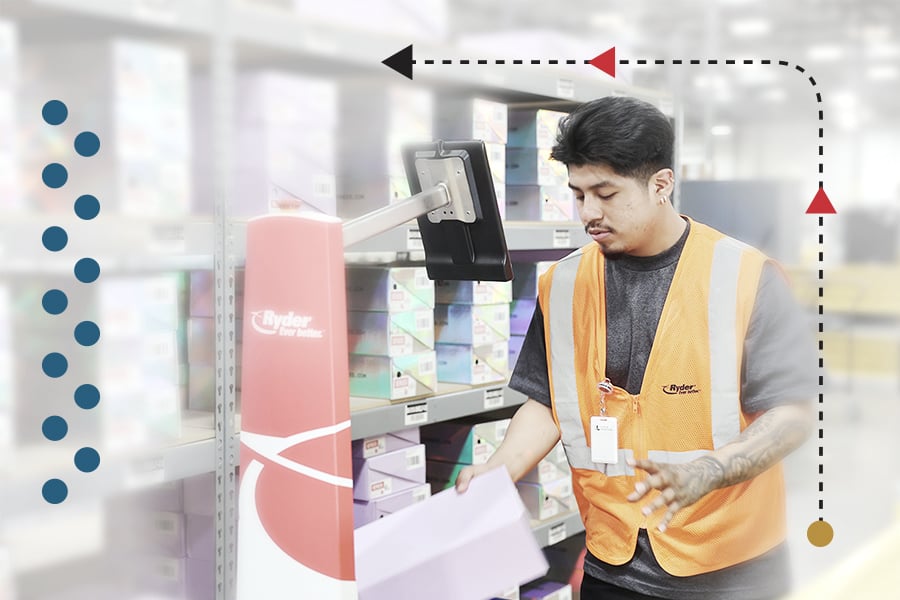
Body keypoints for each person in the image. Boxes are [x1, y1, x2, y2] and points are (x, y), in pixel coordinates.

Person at [456, 96, 816, 599]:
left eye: (606, 193)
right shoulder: (562, 283)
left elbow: (793, 414)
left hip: (731, 567)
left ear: (661, 184)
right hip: (612, 561)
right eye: (578, 194)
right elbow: (549, 400)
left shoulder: (747, 277)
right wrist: (499, 471)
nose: (589, 213)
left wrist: (706, 472)